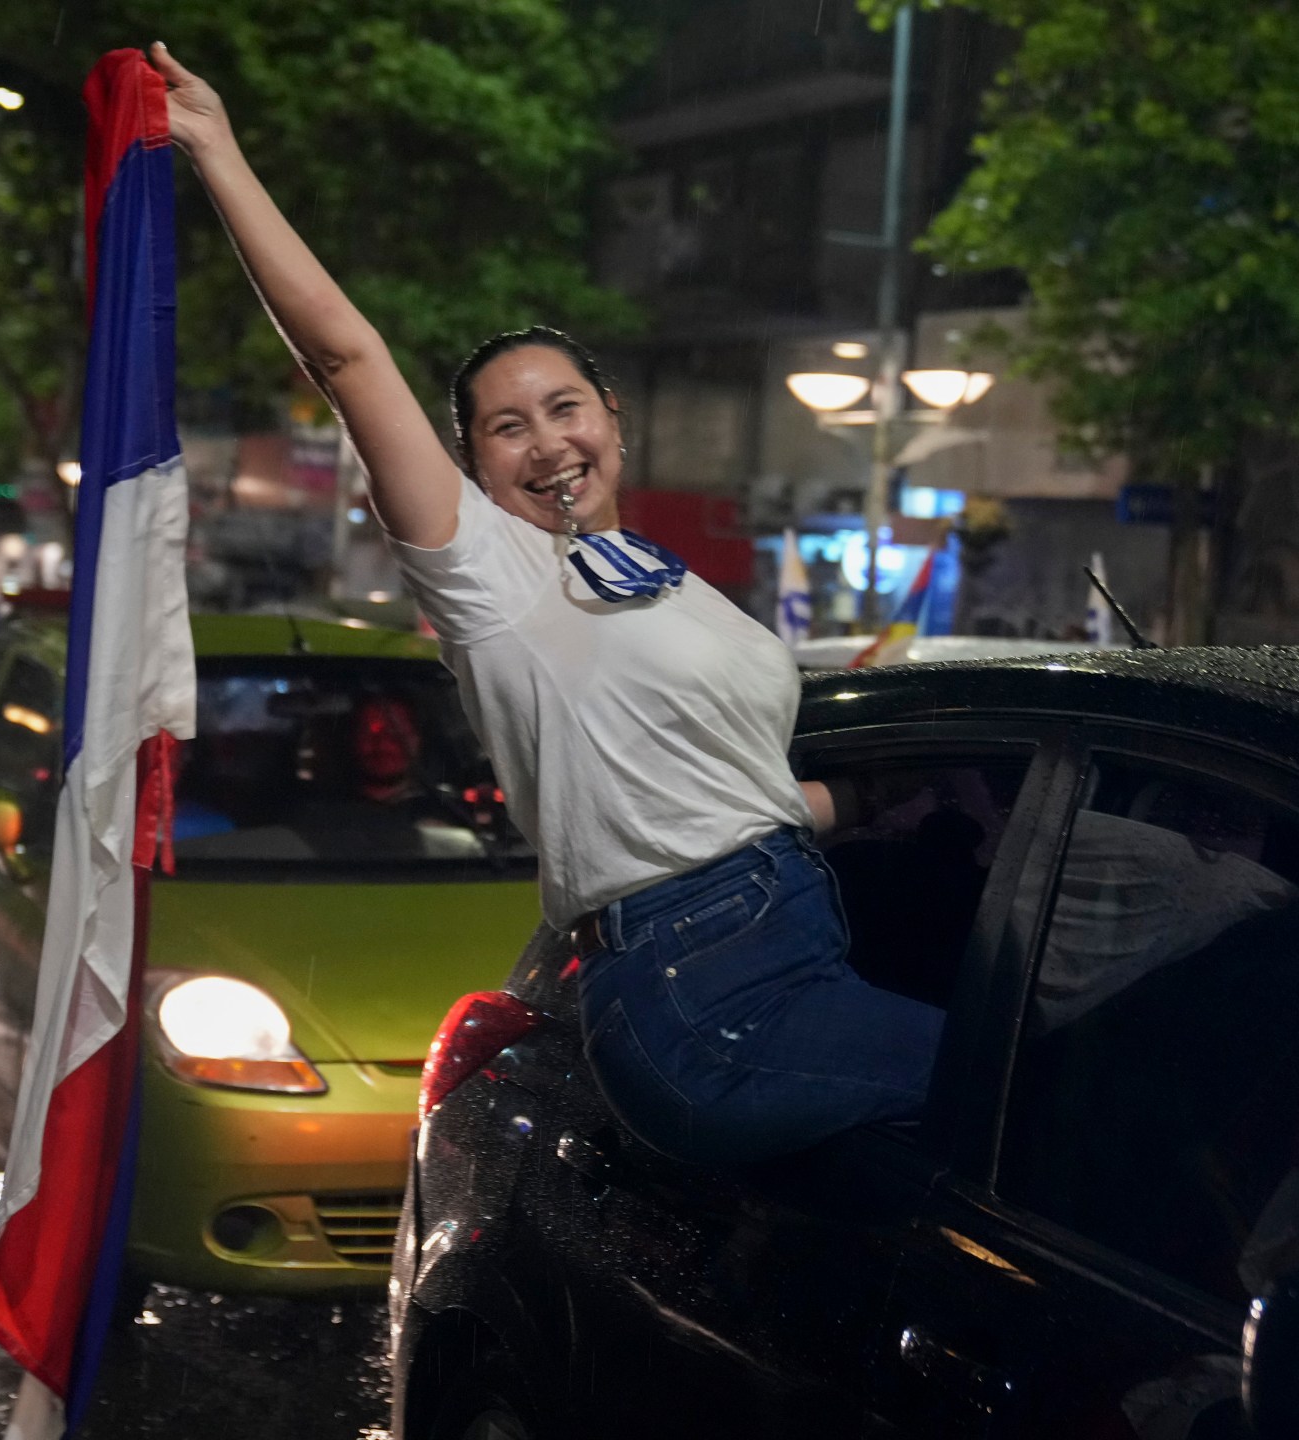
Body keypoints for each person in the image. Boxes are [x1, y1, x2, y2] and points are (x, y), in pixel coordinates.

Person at [152, 44, 942, 1167]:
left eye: (563, 408)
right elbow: (344, 353)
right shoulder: (492, 578)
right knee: (1028, 1094)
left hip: (786, 931)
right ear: (469, 466)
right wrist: (214, 147)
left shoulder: (679, 587)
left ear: (611, 419)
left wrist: (886, 800)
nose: (546, 443)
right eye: (505, 428)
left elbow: (724, 801)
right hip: (695, 990)